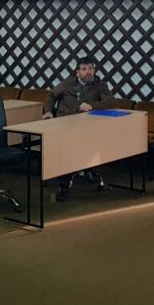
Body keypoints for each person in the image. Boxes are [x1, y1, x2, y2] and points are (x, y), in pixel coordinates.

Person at [43, 56, 115, 201]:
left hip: (86, 126)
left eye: (91, 68)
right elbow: (51, 95)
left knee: (75, 147)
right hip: (64, 123)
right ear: (77, 72)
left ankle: (76, 174)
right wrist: (49, 111)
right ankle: (66, 182)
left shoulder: (99, 84)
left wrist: (92, 106)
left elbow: (110, 101)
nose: (88, 72)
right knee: (67, 148)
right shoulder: (68, 83)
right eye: (84, 69)